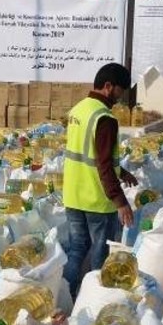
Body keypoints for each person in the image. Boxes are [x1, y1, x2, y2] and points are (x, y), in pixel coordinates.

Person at [62, 62, 138, 296]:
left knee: (76, 250)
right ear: (108, 86)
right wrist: (121, 201)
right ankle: (94, 300)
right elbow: (102, 163)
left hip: (73, 196)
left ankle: (66, 297)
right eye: (120, 91)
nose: (121, 97)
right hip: (97, 199)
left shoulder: (78, 110)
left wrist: (122, 172)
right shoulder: (104, 118)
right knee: (99, 256)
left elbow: (90, 154)